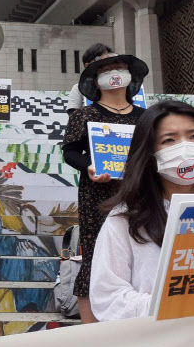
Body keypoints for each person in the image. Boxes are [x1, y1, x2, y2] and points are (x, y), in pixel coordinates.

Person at [63, 52, 149, 323]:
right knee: (95, 255)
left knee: (140, 249)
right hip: (97, 195)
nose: (115, 72)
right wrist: (88, 166)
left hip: (141, 195)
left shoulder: (146, 117)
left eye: (120, 68)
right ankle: (92, 332)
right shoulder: (84, 115)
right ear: (96, 81)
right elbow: (70, 151)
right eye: (107, 69)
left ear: (131, 77)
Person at [90, 100, 194, 321]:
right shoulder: (125, 218)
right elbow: (107, 297)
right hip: (164, 343)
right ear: (149, 152)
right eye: (169, 140)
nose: (185, 147)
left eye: (193, 136)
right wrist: (170, 305)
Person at [66, 43, 114, 114]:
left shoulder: (119, 88)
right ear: (87, 65)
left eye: (109, 59)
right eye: (100, 59)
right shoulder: (78, 89)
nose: (106, 64)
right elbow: (73, 118)